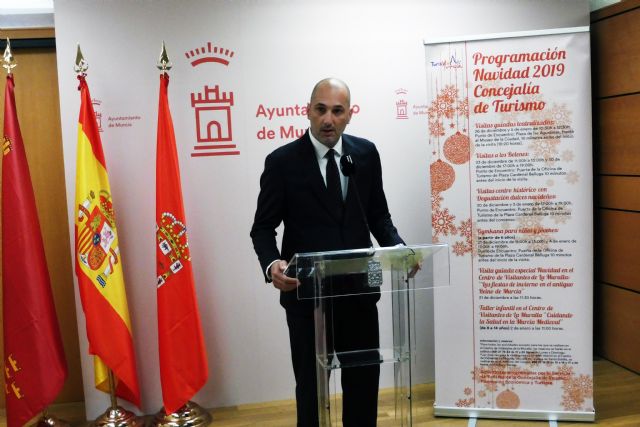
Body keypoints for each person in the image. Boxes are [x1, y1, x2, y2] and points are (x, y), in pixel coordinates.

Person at [250, 78, 404, 426]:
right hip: (308, 298)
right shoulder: (282, 162)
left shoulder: (365, 154)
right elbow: (262, 227)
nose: (328, 119)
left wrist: (400, 249)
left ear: (349, 114)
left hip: (358, 294)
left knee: (363, 383)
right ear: (308, 111)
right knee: (311, 389)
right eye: (320, 110)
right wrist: (272, 264)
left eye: (337, 111)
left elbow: (378, 216)